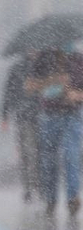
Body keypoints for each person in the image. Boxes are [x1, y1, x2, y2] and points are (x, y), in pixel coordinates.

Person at [27, 49, 83, 215]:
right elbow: (29, 86)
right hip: (49, 116)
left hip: (72, 115)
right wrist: (53, 81)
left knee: (70, 154)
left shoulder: (78, 60)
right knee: (48, 159)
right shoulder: (43, 59)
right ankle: (51, 198)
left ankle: (73, 197)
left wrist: (77, 94)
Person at [1, 52, 40, 202]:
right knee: (27, 152)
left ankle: (36, 185)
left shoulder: (44, 65)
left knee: (37, 153)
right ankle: (29, 187)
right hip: (24, 116)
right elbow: (8, 93)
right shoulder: (17, 69)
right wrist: (4, 115)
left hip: (42, 115)